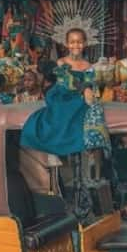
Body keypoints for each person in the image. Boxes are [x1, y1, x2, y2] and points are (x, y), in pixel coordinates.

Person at [20, 28, 110, 157]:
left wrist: (89, 90)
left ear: (85, 43)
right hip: (62, 94)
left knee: (88, 106)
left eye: (79, 42)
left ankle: (88, 145)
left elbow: (91, 83)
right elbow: (66, 81)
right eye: (72, 42)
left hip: (80, 95)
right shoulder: (61, 62)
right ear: (67, 44)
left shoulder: (88, 65)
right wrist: (84, 89)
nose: (76, 45)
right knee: (64, 109)